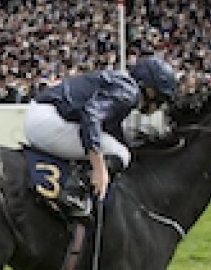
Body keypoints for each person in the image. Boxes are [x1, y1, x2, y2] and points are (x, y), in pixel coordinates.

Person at [23, 55, 180, 209]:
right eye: (161, 98)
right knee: (121, 154)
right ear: (151, 91)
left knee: (116, 148)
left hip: (41, 115)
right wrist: (99, 168)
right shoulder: (130, 93)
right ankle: (74, 192)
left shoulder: (123, 84)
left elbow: (110, 129)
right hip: (48, 121)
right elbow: (91, 115)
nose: (158, 106)